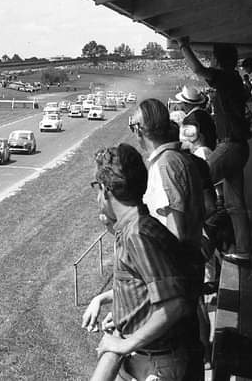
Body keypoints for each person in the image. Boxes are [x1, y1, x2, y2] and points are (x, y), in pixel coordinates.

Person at [83, 143, 202, 381]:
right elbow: (146, 288)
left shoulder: (138, 234)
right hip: (149, 358)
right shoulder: (138, 228)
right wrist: (122, 313)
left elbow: (174, 304)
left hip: (154, 364)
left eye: (97, 187)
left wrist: (125, 344)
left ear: (106, 190)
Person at [177, 37, 252, 263]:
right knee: (234, 205)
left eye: (212, 57)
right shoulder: (233, 79)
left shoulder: (226, 77)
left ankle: (192, 243)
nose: (211, 61)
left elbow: (198, 69)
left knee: (194, 181)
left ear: (218, 60)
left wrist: (183, 45)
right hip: (238, 147)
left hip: (230, 145)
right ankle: (243, 251)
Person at [128, 99, 206, 249]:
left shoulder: (165, 164)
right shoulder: (177, 157)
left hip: (177, 259)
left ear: (138, 130)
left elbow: (175, 231)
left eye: (133, 127)